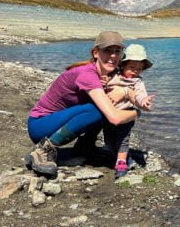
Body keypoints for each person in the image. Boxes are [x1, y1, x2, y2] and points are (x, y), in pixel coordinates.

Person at [25, 31, 140, 179]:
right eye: (108, 51)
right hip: (40, 126)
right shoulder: (87, 74)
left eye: (117, 51)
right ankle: (44, 150)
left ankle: (85, 147)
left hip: (54, 123)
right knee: (100, 109)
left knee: (102, 105)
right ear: (96, 53)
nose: (113, 56)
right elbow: (114, 118)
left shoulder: (108, 74)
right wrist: (137, 112)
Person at [103, 44, 156, 178]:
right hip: (108, 113)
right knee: (109, 140)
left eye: (139, 69)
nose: (135, 72)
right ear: (123, 65)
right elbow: (103, 86)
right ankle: (123, 157)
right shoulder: (114, 75)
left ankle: (121, 163)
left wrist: (143, 101)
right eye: (132, 67)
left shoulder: (137, 82)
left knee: (123, 140)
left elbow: (139, 95)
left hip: (126, 114)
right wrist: (103, 82)